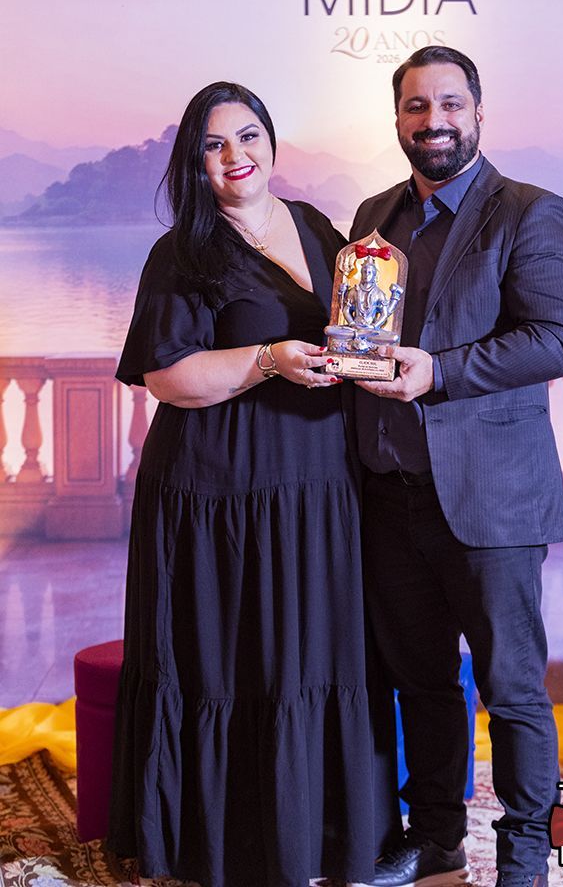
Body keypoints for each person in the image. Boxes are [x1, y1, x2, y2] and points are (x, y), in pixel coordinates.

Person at [107, 81, 402, 887]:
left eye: (247, 136)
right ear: (194, 162)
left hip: (320, 484)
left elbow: (355, 330)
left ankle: (329, 837)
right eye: (213, 144)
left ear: (271, 141)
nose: (234, 155)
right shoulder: (183, 252)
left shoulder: (315, 227)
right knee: (231, 663)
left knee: (316, 654)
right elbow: (167, 379)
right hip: (219, 491)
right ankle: (226, 845)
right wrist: (269, 359)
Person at [349, 47, 563, 887]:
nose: (433, 121)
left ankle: (523, 863)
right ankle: (436, 839)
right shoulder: (373, 215)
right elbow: (359, 333)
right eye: (416, 106)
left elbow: (556, 340)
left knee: (510, 690)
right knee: (419, 683)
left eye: (449, 103)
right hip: (388, 494)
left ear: (478, 113)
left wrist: (439, 372)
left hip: (493, 500)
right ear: (397, 119)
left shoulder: (529, 210)